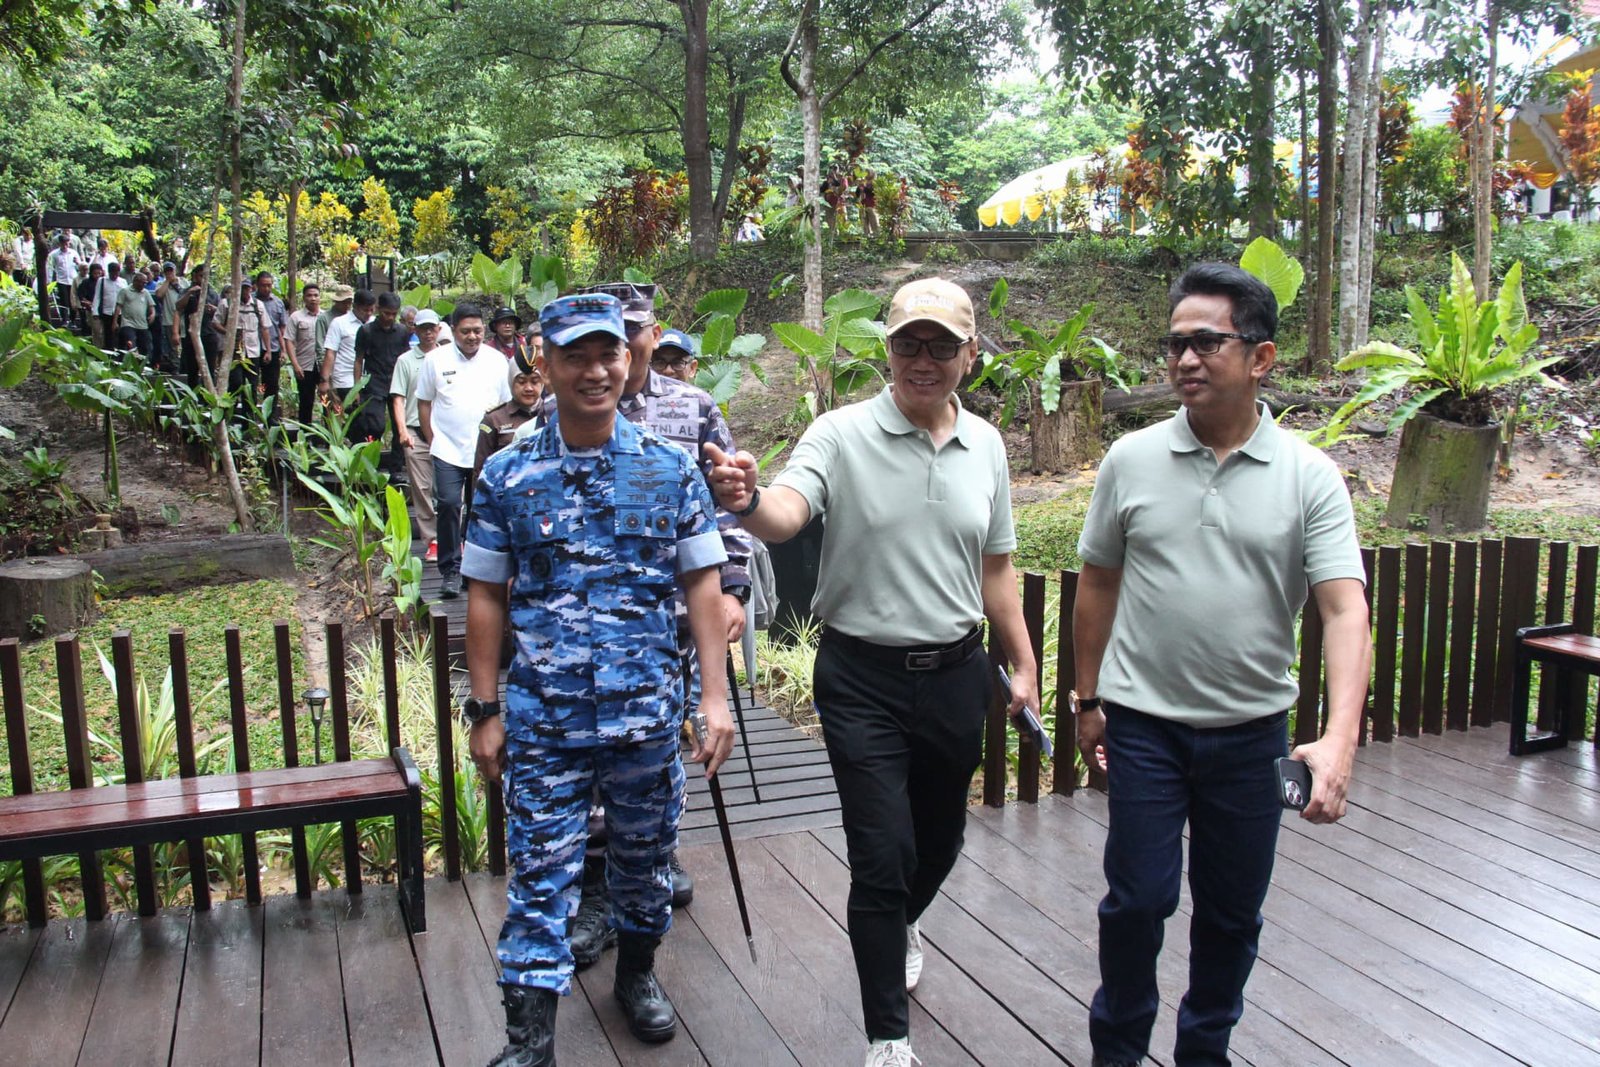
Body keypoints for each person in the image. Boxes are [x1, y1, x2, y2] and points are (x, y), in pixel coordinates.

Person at [704, 277, 1038, 1067]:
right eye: (907, 343)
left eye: (941, 346)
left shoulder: (985, 444)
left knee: (943, 837)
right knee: (880, 851)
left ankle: (900, 921)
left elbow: (997, 570)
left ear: (970, 355)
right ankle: (888, 1036)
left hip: (957, 673)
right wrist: (748, 501)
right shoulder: (840, 433)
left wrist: (1021, 658)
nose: (923, 359)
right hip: (861, 676)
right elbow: (788, 510)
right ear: (885, 349)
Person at [1072, 263, 1371, 1067]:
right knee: (1137, 900)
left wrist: (1339, 740)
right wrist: (1086, 699)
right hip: (1144, 727)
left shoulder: (1310, 476)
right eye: (1176, 344)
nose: (1185, 359)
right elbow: (1098, 581)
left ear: (1262, 357)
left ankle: (1205, 1050)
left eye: (1206, 341)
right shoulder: (1131, 460)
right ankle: (1118, 1052)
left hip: (1251, 736)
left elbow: (1345, 609)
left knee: (1233, 913)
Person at [460, 292, 735, 1067]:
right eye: (574, 354)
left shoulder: (670, 468)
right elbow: (484, 593)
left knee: (645, 870)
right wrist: (485, 708)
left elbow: (704, 587)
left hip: (645, 719)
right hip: (545, 722)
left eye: (607, 352)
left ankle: (638, 978)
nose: (594, 370)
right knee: (540, 879)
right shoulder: (509, 474)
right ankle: (530, 1041)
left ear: (629, 357)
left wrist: (712, 696)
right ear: (542, 362)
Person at [415, 302, 510, 599]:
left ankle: (473, 569)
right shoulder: (435, 360)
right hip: (447, 448)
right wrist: (432, 440)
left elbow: (506, 405)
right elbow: (424, 402)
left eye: (478, 330)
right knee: (448, 505)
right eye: (466, 331)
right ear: (453, 330)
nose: (472, 336)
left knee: (479, 510)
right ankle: (450, 570)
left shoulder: (497, 361)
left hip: (485, 451)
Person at [391, 308, 444, 561]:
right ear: (415, 329)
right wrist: (402, 431)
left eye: (431, 328)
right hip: (415, 432)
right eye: (423, 328)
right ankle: (432, 539)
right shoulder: (405, 361)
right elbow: (398, 398)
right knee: (421, 489)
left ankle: (453, 537)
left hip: (445, 432)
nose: (428, 332)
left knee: (447, 488)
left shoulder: (448, 358)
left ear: (439, 329)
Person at [351, 290, 410, 464]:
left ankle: (396, 468)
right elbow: (358, 360)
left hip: (396, 382)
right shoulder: (366, 331)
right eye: (386, 313)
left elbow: (405, 358)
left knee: (400, 426)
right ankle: (370, 460)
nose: (390, 317)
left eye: (394, 314)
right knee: (375, 425)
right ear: (378, 309)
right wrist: (356, 388)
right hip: (374, 383)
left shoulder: (402, 332)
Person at [474, 345, 544, 480]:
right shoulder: (494, 420)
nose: (528, 388)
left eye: (535, 381)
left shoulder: (553, 414)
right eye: (521, 382)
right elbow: (481, 471)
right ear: (511, 382)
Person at [320, 288, 373, 413]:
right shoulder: (339, 323)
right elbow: (330, 353)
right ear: (355, 307)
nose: (369, 313)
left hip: (368, 380)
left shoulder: (374, 323)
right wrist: (325, 380)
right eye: (365, 310)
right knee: (347, 416)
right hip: (345, 379)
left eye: (371, 310)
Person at [215, 280, 270, 393]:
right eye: (242, 288)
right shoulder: (226, 303)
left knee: (252, 384)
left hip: (253, 350)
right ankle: (230, 408)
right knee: (236, 381)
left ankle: (249, 410)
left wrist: (268, 350)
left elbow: (265, 328)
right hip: (233, 351)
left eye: (247, 288)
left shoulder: (258, 305)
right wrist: (228, 333)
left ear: (251, 289)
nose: (244, 291)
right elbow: (215, 322)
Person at [175, 265, 220, 388]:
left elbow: (221, 313)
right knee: (192, 370)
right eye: (201, 276)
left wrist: (214, 309)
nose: (204, 279)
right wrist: (189, 293)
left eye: (206, 276)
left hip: (209, 335)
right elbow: (178, 307)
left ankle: (208, 398)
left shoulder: (213, 293)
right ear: (195, 276)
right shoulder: (187, 291)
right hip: (192, 336)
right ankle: (193, 398)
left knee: (210, 369)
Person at [253, 271, 290, 417]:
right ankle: (250, 416)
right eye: (263, 286)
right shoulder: (250, 300)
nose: (266, 289)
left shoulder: (278, 303)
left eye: (269, 285)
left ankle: (271, 417)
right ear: (257, 285)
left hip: (273, 347)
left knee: (272, 384)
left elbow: (282, 328)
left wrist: (283, 350)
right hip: (252, 348)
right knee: (252, 383)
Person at [288, 283, 324, 423]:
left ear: (320, 297)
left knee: (327, 401)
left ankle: (327, 436)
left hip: (323, 365)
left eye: (316, 295)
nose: (313, 298)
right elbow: (289, 341)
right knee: (306, 401)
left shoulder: (326, 317)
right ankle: (305, 436)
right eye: (309, 295)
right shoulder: (296, 317)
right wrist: (295, 365)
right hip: (304, 366)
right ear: (304, 298)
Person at [116, 270, 156, 359]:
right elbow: (118, 306)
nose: (144, 285)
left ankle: (142, 366)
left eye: (145, 283)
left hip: (142, 325)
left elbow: (152, 306)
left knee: (145, 348)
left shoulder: (145, 292)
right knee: (131, 345)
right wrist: (115, 322)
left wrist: (152, 314)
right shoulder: (125, 291)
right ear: (136, 281)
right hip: (128, 323)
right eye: (143, 283)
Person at [46, 234, 81, 329]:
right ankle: (65, 320)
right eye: (64, 244)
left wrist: (78, 263)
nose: (66, 246)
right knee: (63, 301)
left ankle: (73, 320)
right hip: (62, 280)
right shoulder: (54, 254)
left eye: (67, 243)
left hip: (72, 280)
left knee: (72, 301)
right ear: (60, 244)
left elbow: (80, 266)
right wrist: (49, 281)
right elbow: (49, 267)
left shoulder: (73, 253)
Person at [92, 261, 128, 349]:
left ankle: (120, 353)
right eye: (113, 273)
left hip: (120, 312)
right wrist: (95, 311)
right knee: (108, 335)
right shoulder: (102, 281)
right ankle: (109, 353)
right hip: (107, 311)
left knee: (121, 334)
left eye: (117, 273)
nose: (115, 275)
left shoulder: (123, 282)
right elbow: (97, 296)